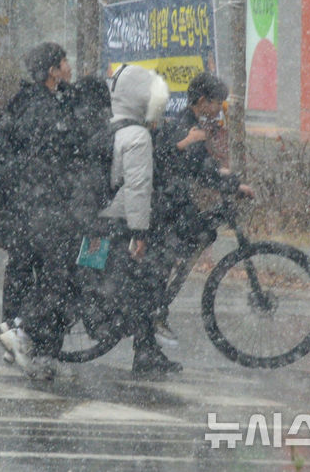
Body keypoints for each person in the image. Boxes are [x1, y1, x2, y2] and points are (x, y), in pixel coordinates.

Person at [150, 72, 254, 345]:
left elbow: (202, 165)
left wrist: (227, 177)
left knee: (192, 240)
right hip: (167, 204)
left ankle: (155, 314)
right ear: (203, 101)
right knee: (171, 253)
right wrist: (232, 185)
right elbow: (197, 169)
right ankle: (155, 309)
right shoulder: (187, 127)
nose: (220, 108)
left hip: (173, 201)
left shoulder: (191, 124)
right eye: (217, 102)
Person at [0, 41, 80, 380]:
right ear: (52, 71)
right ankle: (24, 338)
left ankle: (18, 341)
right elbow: (47, 160)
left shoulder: (26, 101)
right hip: (40, 206)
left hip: (23, 206)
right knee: (54, 279)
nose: (69, 68)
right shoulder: (43, 109)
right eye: (64, 63)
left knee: (22, 272)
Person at [96, 64, 184, 375]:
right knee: (147, 281)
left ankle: (144, 345)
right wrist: (140, 232)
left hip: (99, 219)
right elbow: (137, 189)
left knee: (98, 279)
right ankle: (145, 348)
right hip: (121, 223)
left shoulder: (109, 127)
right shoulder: (137, 137)